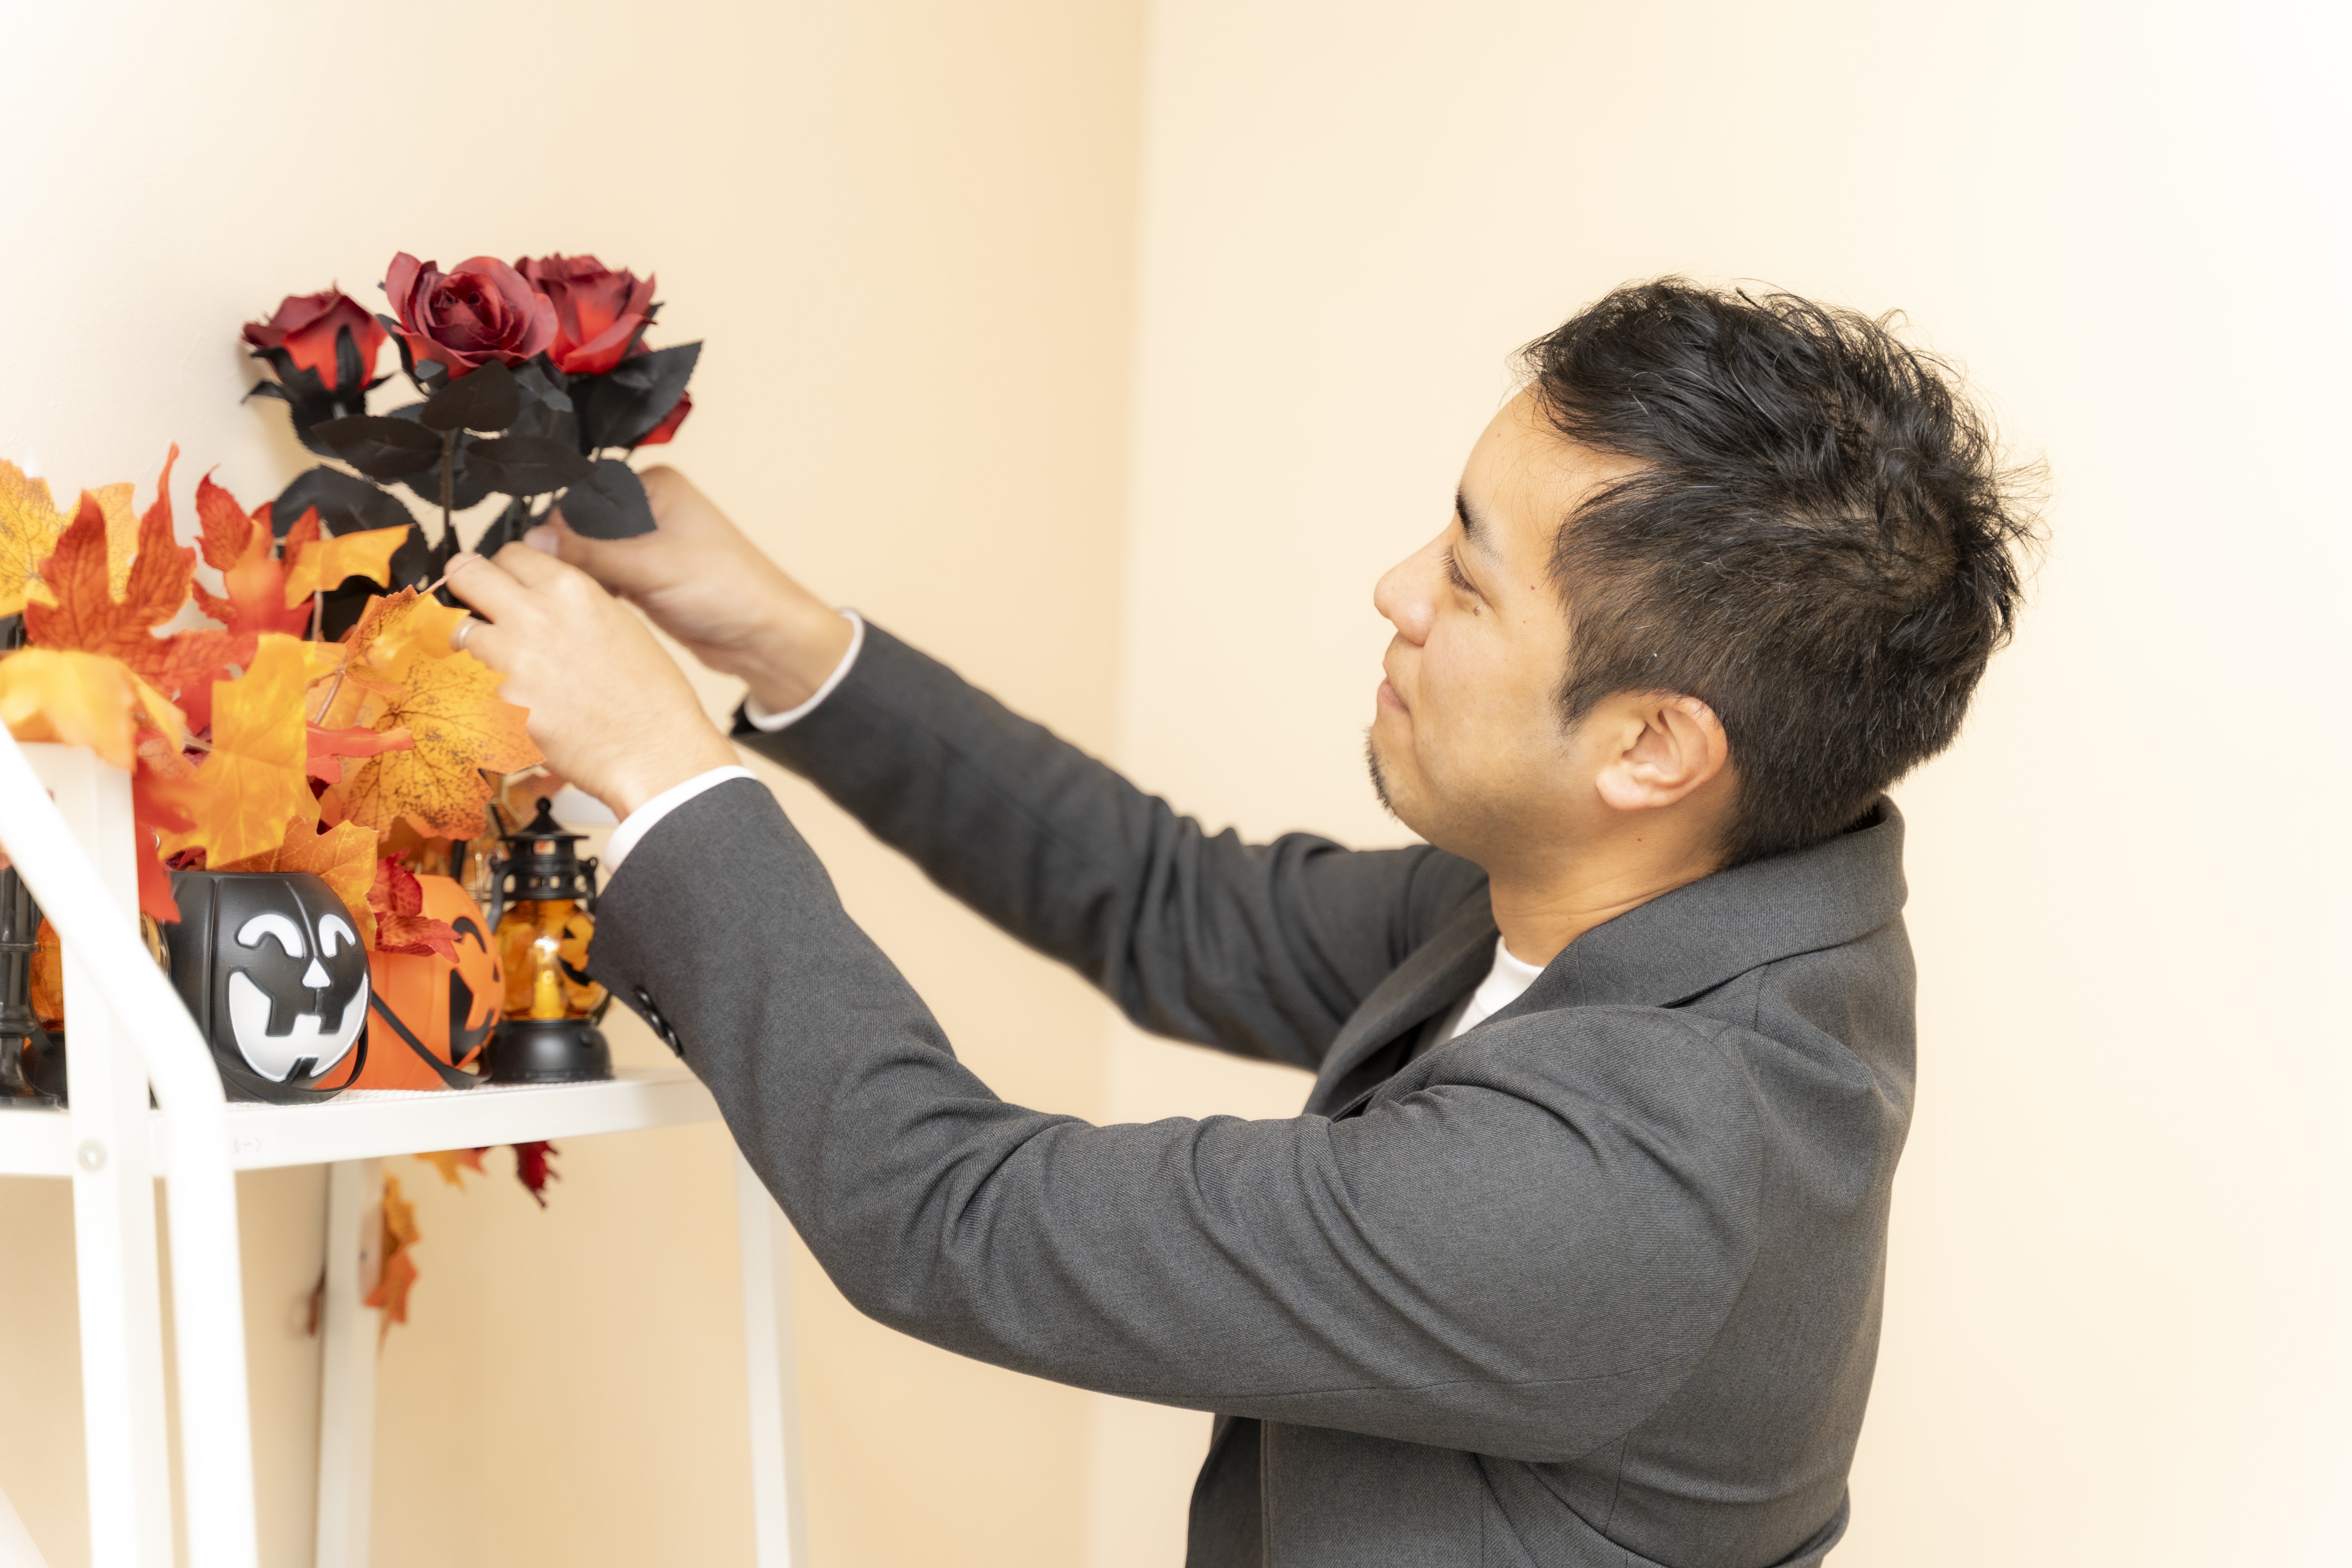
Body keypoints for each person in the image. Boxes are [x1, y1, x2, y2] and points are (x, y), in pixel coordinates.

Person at [445, 279, 2038, 1568]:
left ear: (1653, 747)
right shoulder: (1682, 893)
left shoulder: (1627, 1173)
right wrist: (785, 639)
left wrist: (666, 782)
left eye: (1470, 582)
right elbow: (1173, 904)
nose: (1396, 589)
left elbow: (948, 1216)